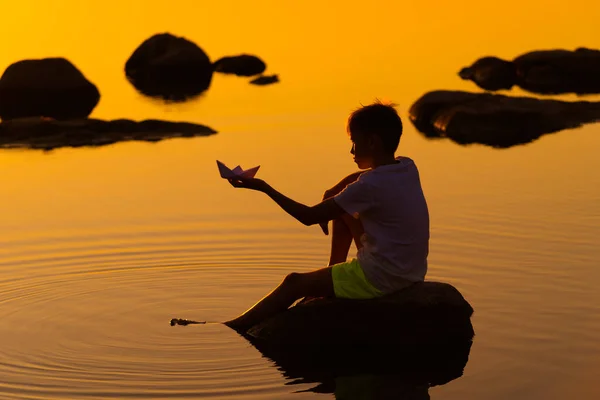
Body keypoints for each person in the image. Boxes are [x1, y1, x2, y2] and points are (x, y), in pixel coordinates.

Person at [224, 101, 429, 332]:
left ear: (372, 142)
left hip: (381, 278)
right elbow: (365, 178)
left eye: (354, 142)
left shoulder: (369, 186)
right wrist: (334, 192)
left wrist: (264, 188)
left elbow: (309, 216)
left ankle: (231, 327)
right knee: (343, 212)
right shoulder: (407, 166)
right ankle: (334, 273)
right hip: (410, 271)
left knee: (294, 283)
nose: (351, 150)